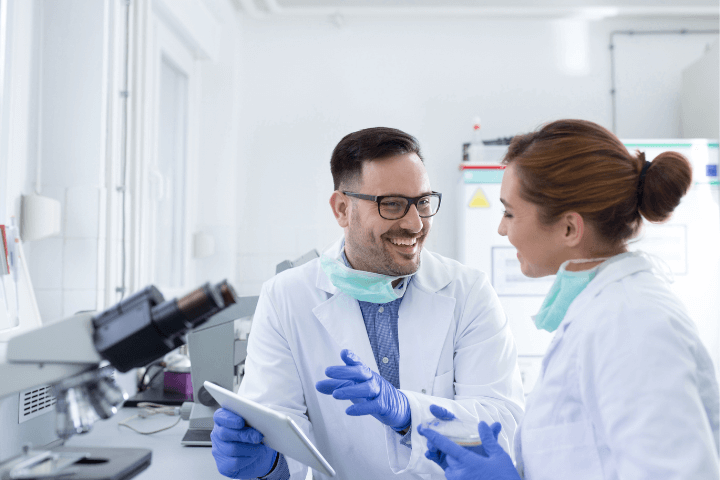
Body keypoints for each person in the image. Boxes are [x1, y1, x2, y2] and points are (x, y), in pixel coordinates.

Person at [210, 127, 525, 480]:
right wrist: (269, 465)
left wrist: (409, 413)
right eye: (391, 204)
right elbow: (282, 432)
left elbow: (503, 423)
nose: (415, 223)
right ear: (342, 209)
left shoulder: (468, 293)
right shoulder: (286, 297)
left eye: (422, 201)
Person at [417, 119, 720, 479]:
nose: (501, 228)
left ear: (569, 228)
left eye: (510, 213)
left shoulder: (630, 323)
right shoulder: (605, 313)